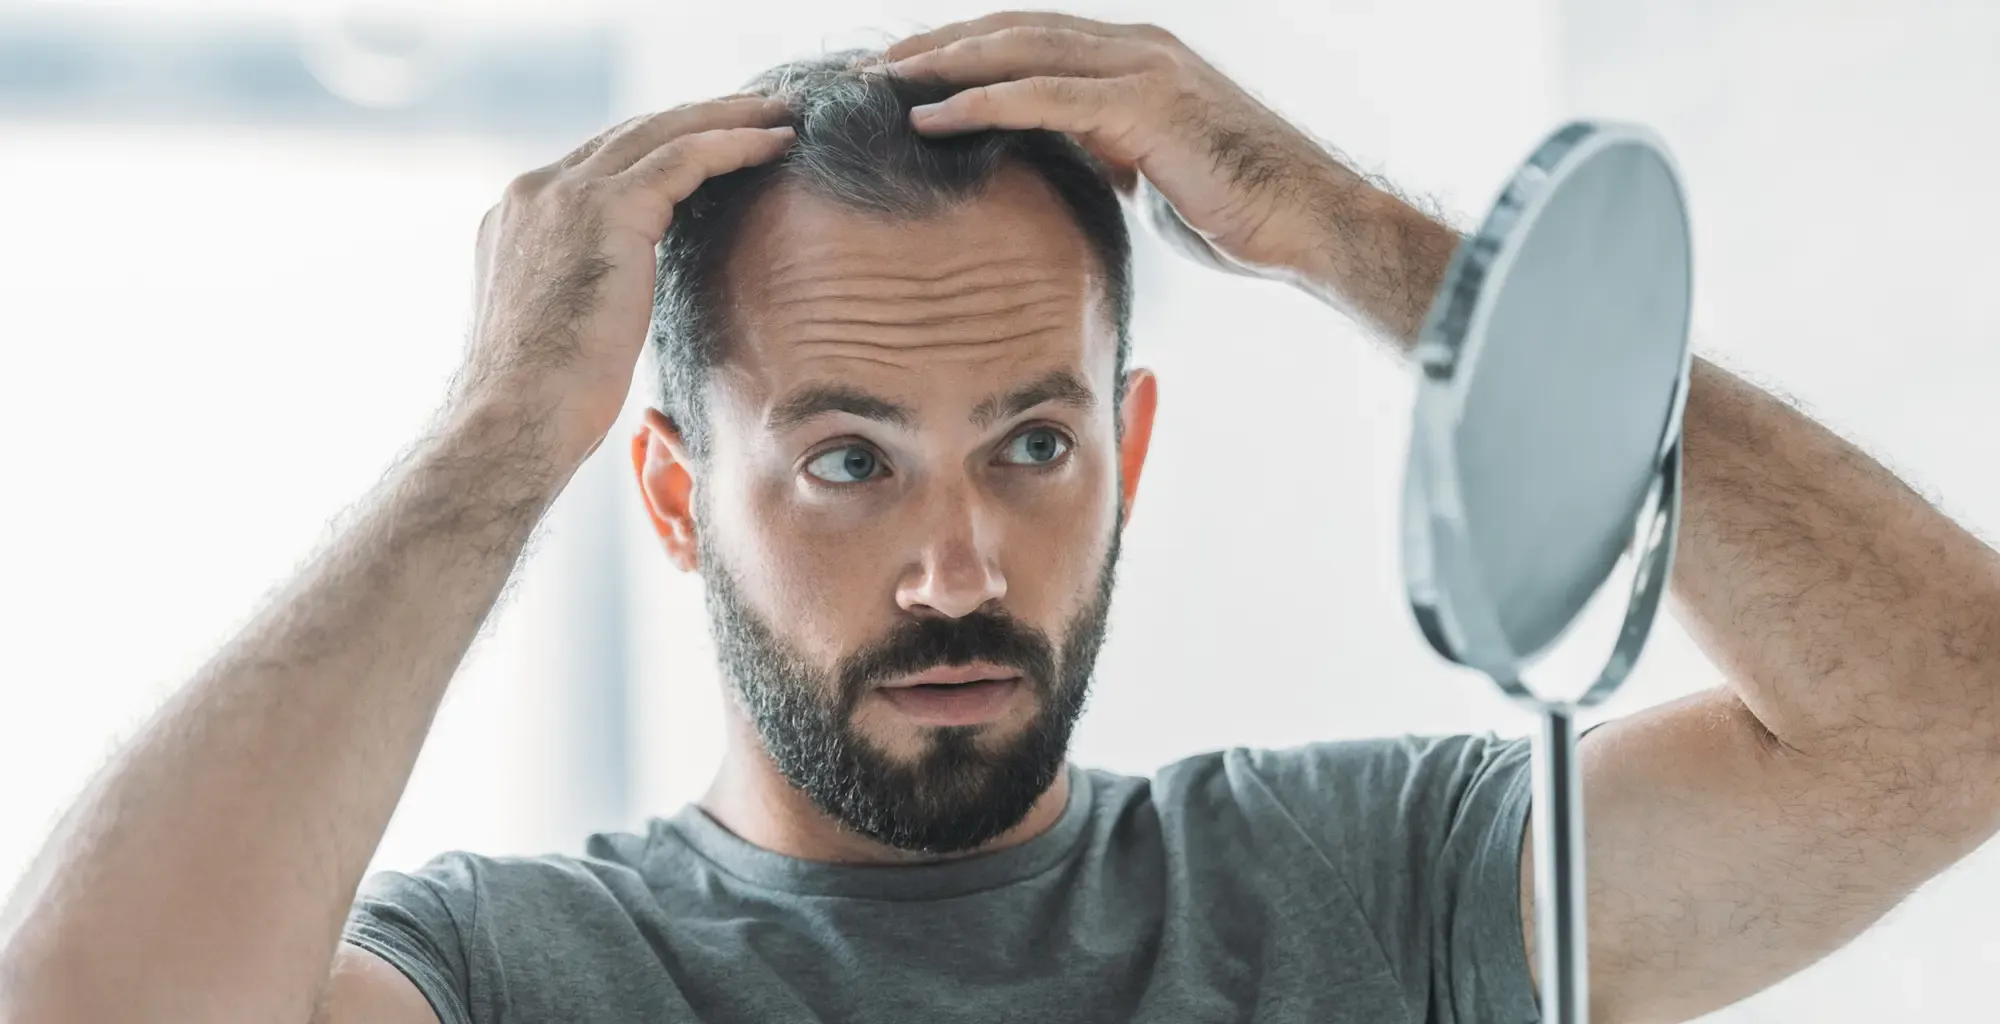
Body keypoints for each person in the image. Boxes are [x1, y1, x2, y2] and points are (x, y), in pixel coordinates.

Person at [3, 12, 1996, 1024]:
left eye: (1029, 448)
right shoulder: (519, 967)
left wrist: (1365, 244)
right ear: (679, 498)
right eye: (850, 460)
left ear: (1124, 443)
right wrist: (488, 438)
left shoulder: (1373, 887)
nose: (956, 567)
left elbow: (1942, 720)